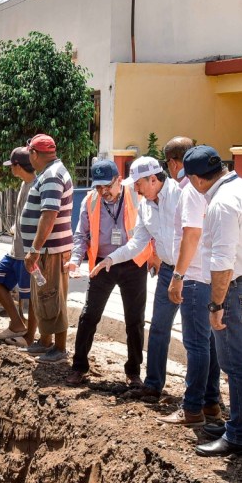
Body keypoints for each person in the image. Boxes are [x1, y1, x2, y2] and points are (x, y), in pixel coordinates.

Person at [183, 146, 242, 457]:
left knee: (235, 366)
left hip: (237, 290)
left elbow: (223, 261)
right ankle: (239, 423)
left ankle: (237, 435)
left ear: (196, 180)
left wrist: (216, 305)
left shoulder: (221, 203)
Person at [65, 159, 154, 387]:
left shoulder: (136, 196)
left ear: (119, 180)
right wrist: (75, 260)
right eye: (98, 187)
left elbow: (152, 230)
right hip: (102, 264)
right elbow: (81, 234)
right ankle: (79, 367)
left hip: (134, 263)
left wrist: (156, 257)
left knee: (134, 320)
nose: (103, 191)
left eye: (107, 186)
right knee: (89, 316)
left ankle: (133, 372)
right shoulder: (90, 201)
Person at [154, 138, 223, 428]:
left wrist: (178, 276)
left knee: (197, 345)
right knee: (209, 345)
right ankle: (209, 403)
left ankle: (192, 407)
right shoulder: (205, 189)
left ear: (173, 163)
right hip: (208, 275)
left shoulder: (193, 190)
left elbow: (191, 235)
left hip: (195, 276)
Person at [19, 134, 74, 364]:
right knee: (44, 296)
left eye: (29, 153)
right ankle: (45, 341)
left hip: (50, 251)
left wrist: (35, 249)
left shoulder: (52, 176)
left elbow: (48, 215)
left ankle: (59, 348)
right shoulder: (51, 173)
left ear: (34, 153)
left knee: (52, 297)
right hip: (46, 250)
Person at [0, 147, 37, 347]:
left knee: (30, 297)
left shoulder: (35, 188)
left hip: (26, 253)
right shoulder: (24, 185)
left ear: (18, 166)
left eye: (12, 165)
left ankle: (30, 337)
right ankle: (17, 324)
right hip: (15, 251)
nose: (11, 169)